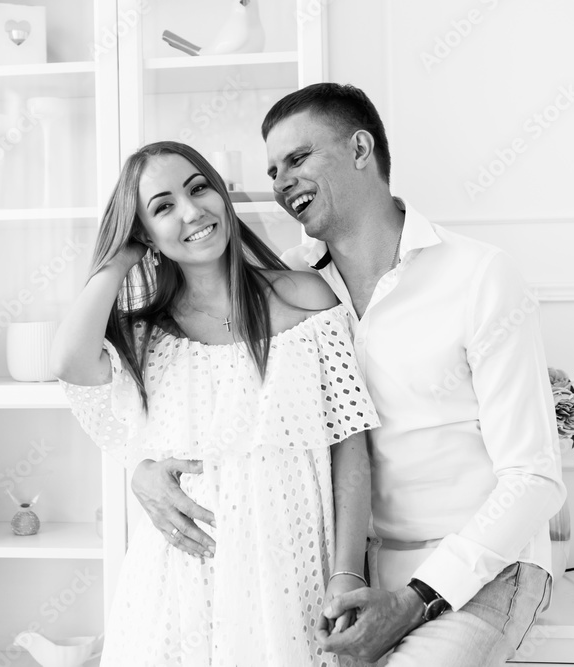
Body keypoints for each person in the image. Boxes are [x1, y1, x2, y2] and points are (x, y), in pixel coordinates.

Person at [132, 85, 568, 666]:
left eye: (298, 158)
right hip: (338, 573)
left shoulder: (479, 276)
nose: (282, 182)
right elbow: (207, 403)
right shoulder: (287, 289)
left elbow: (533, 478)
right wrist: (142, 470)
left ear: (361, 149)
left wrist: (415, 599)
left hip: (480, 572)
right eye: (272, 171)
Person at [51, 140, 380, 666]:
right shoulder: (147, 335)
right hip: (176, 586)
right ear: (144, 234)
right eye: (163, 206)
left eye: (199, 188)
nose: (191, 211)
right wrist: (118, 259)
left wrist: (347, 572)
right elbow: (68, 362)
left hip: (290, 575)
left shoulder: (307, 299)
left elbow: (351, 451)